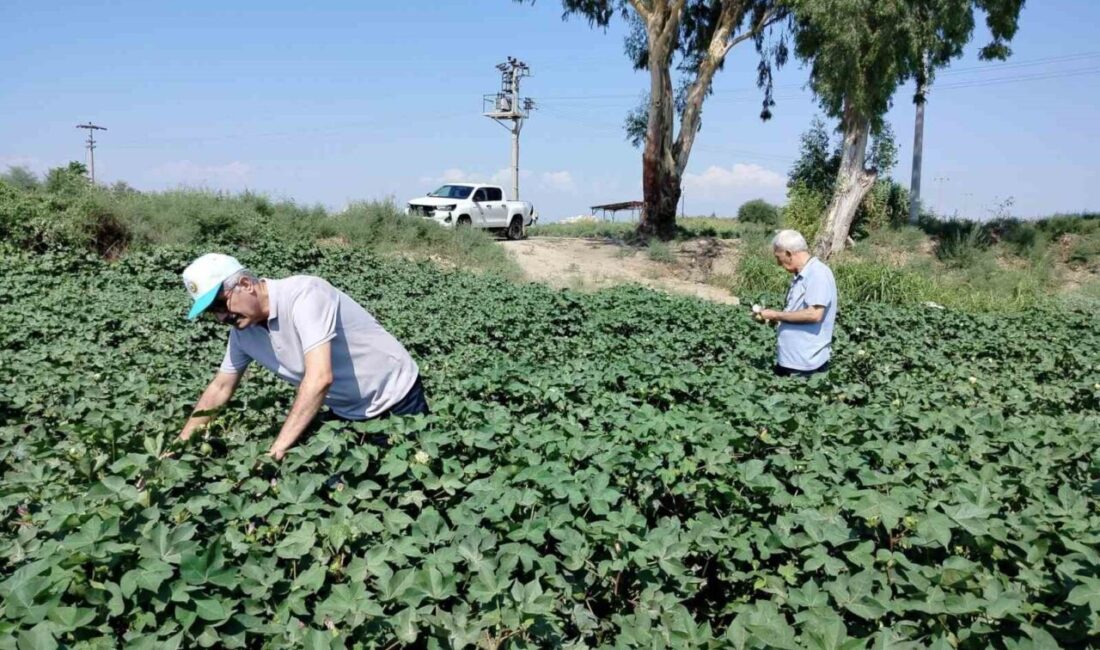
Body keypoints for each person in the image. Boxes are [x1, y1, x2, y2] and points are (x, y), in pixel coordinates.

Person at [177, 253, 427, 460]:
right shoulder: (243, 334)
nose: (221, 317)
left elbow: (320, 379)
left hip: (395, 399)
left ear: (245, 284)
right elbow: (220, 388)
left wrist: (277, 449)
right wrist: (178, 448)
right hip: (345, 410)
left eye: (221, 305)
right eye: (212, 312)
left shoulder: (305, 294)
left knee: (403, 484)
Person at [754, 230, 837, 378]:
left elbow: (814, 314)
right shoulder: (803, 274)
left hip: (805, 364)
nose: (778, 263)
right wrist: (777, 319)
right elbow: (799, 311)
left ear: (788, 253)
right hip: (791, 360)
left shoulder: (817, 273)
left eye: (778, 258)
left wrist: (776, 314)